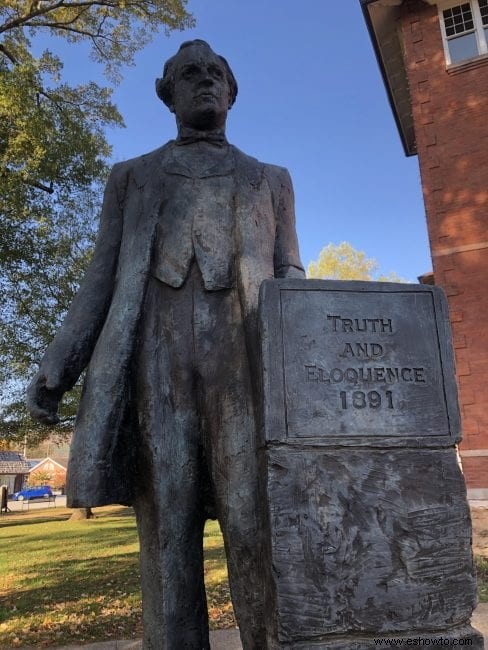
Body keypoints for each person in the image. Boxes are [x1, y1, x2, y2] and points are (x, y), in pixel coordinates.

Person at [27, 39, 304, 649]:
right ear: (167, 93)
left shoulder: (271, 181)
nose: (204, 82)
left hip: (245, 368)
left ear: (232, 94)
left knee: (253, 521)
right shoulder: (131, 179)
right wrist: (58, 367)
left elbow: (291, 279)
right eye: (189, 75)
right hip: (157, 365)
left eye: (215, 75)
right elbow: (101, 276)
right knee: (169, 528)